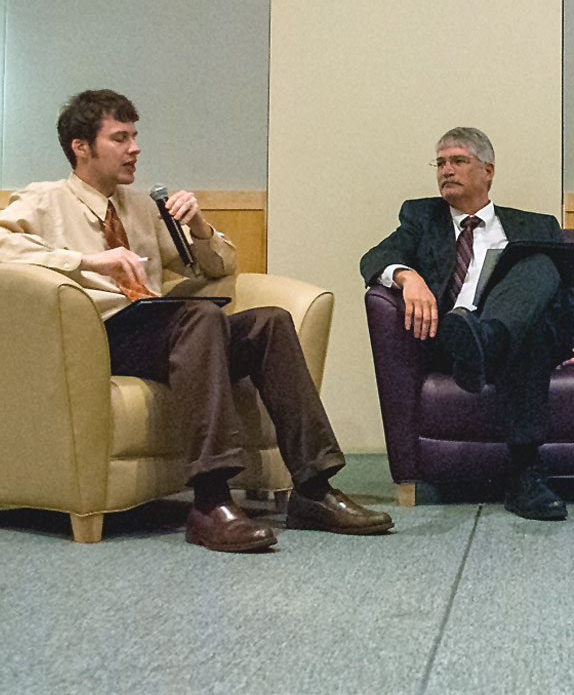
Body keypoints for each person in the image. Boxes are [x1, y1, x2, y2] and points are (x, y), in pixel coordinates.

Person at [0, 89, 393, 552]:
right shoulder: (46, 200)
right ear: (80, 148)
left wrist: (201, 228)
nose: (135, 149)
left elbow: (217, 267)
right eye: (120, 138)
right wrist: (87, 260)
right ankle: (209, 502)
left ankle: (312, 488)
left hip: (163, 329)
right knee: (200, 319)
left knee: (269, 323)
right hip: (99, 333)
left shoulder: (143, 206)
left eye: (135, 136)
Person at [359, 127, 574, 521]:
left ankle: (489, 340)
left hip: (505, 329)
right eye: (440, 163)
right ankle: (526, 475)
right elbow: (375, 257)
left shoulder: (535, 225)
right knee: (526, 334)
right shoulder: (422, 218)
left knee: (538, 272)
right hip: (449, 333)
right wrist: (408, 277)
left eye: (458, 161)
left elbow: (566, 292)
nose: (446, 171)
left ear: (487, 170)